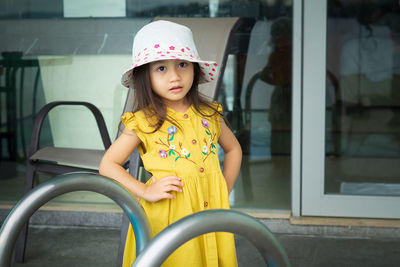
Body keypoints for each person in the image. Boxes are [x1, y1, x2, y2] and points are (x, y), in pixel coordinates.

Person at [99, 20, 242, 266]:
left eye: (183, 64)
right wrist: (144, 191)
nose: (175, 76)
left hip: (210, 213)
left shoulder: (210, 115)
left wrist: (223, 188)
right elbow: (108, 164)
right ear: (146, 76)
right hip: (167, 217)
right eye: (161, 68)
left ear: (195, 69)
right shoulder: (143, 121)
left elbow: (234, 149)